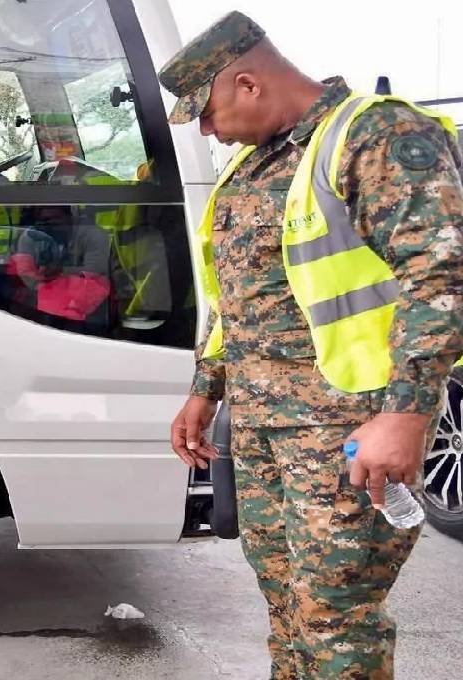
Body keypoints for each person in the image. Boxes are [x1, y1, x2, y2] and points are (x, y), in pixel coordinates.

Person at [162, 12, 463, 679]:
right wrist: (204, 390)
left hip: (350, 431)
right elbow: (239, 300)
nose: (207, 130)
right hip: (267, 428)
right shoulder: (252, 169)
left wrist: (407, 414)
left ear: (247, 83)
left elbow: (441, 275)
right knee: (288, 607)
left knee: (335, 613)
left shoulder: (375, 135)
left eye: (206, 113)